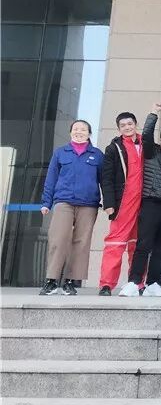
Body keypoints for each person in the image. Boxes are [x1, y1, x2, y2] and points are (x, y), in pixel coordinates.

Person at [119, 105, 161, 297]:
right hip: (151, 203)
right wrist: (154, 114)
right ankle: (134, 282)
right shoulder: (152, 152)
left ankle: (153, 282)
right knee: (143, 245)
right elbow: (147, 134)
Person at [38, 120, 104, 295]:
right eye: (75, 129)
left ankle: (70, 281)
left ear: (89, 134)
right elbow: (51, 178)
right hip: (64, 201)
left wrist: (110, 204)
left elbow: (104, 180)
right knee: (58, 239)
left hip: (88, 204)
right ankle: (51, 280)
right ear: (70, 132)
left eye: (83, 129)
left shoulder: (97, 155)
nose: (79, 132)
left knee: (81, 243)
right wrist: (46, 202)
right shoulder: (60, 152)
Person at [98, 112, 144, 296]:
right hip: (123, 203)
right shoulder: (113, 148)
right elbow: (106, 178)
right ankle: (106, 284)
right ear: (119, 129)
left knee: (138, 245)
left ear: (135, 124)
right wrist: (109, 203)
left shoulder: (146, 144)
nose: (127, 127)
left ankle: (138, 283)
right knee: (115, 243)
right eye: (123, 125)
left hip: (143, 203)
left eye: (130, 124)